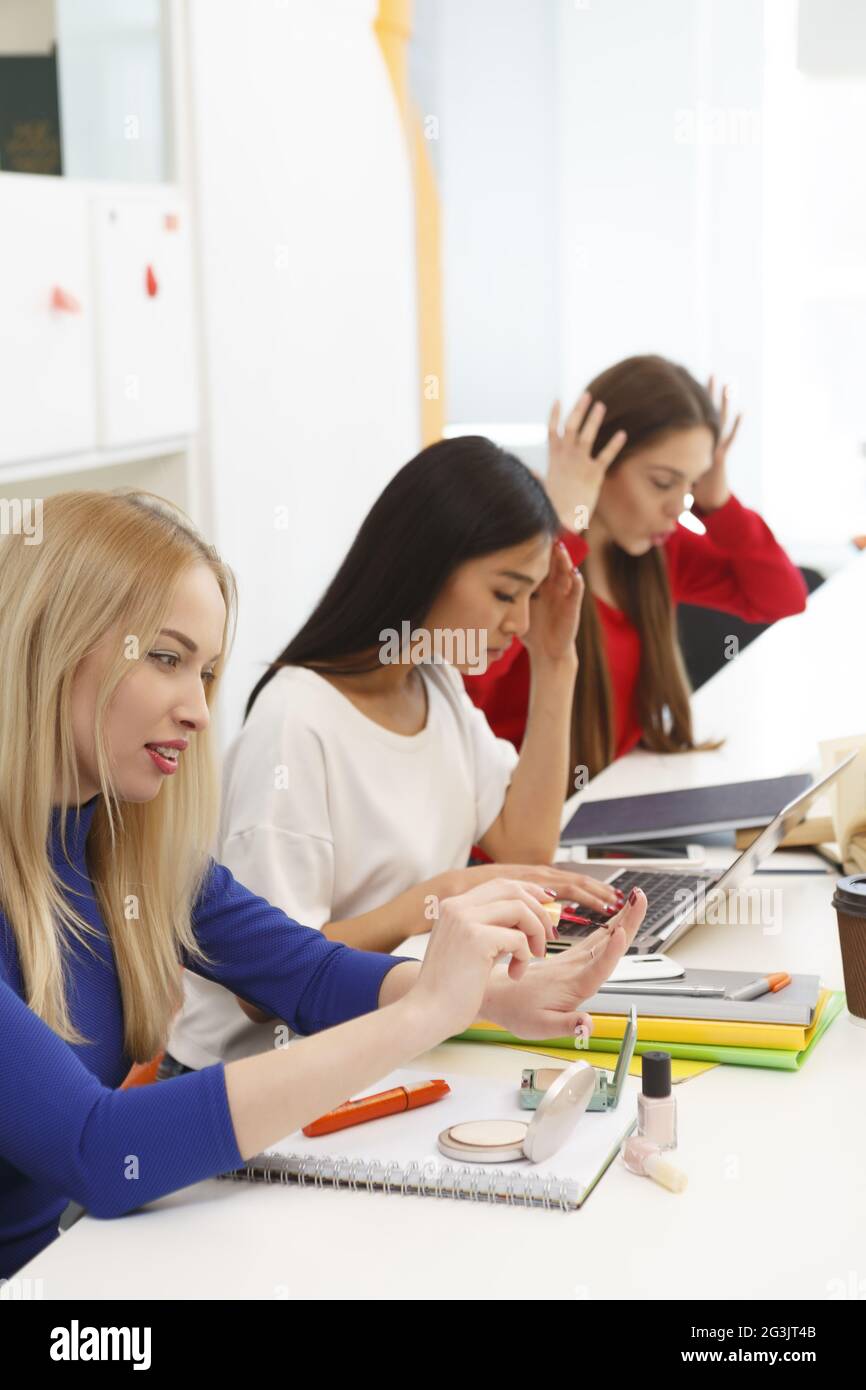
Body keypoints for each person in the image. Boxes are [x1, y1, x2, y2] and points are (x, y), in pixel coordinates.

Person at [0, 488, 646, 1278]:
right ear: (49, 644)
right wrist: (426, 1015)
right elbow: (100, 1151)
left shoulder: (121, 840)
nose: (200, 711)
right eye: (166, 659)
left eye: (206, 673)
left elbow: (302, 971)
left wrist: (485, 994)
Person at [165, 437, 625, 1073]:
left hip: (374, 1051)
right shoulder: (297, 723)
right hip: (258, 1082)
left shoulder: (435, 685)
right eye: (504, 593)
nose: (519, 621)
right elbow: (259, 991)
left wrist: (555, 661)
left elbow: (525, 847)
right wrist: (439, 897)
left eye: (531, 597)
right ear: (425, 566)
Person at [464, 356, 808, 782]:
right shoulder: (522, 555)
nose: (677, 506)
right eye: (664, 482)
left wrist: (717, 501)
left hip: (614, 803)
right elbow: (466, 688)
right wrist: (562, 526)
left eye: (691, 484)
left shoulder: (660, 555)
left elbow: (782, 598)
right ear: (596, 461)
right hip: (522, 824)